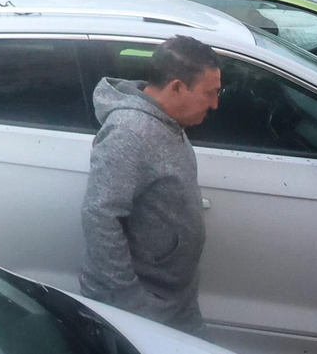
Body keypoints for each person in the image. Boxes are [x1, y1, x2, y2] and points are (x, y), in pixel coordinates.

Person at [80, 36, 222, 336]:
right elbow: (100, 215)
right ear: (177, 88)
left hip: (173, 297)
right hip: (144, 305)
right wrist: (131, 301)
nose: (215, 104)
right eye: (210, 93)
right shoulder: (130, 133)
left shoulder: (169, 120)